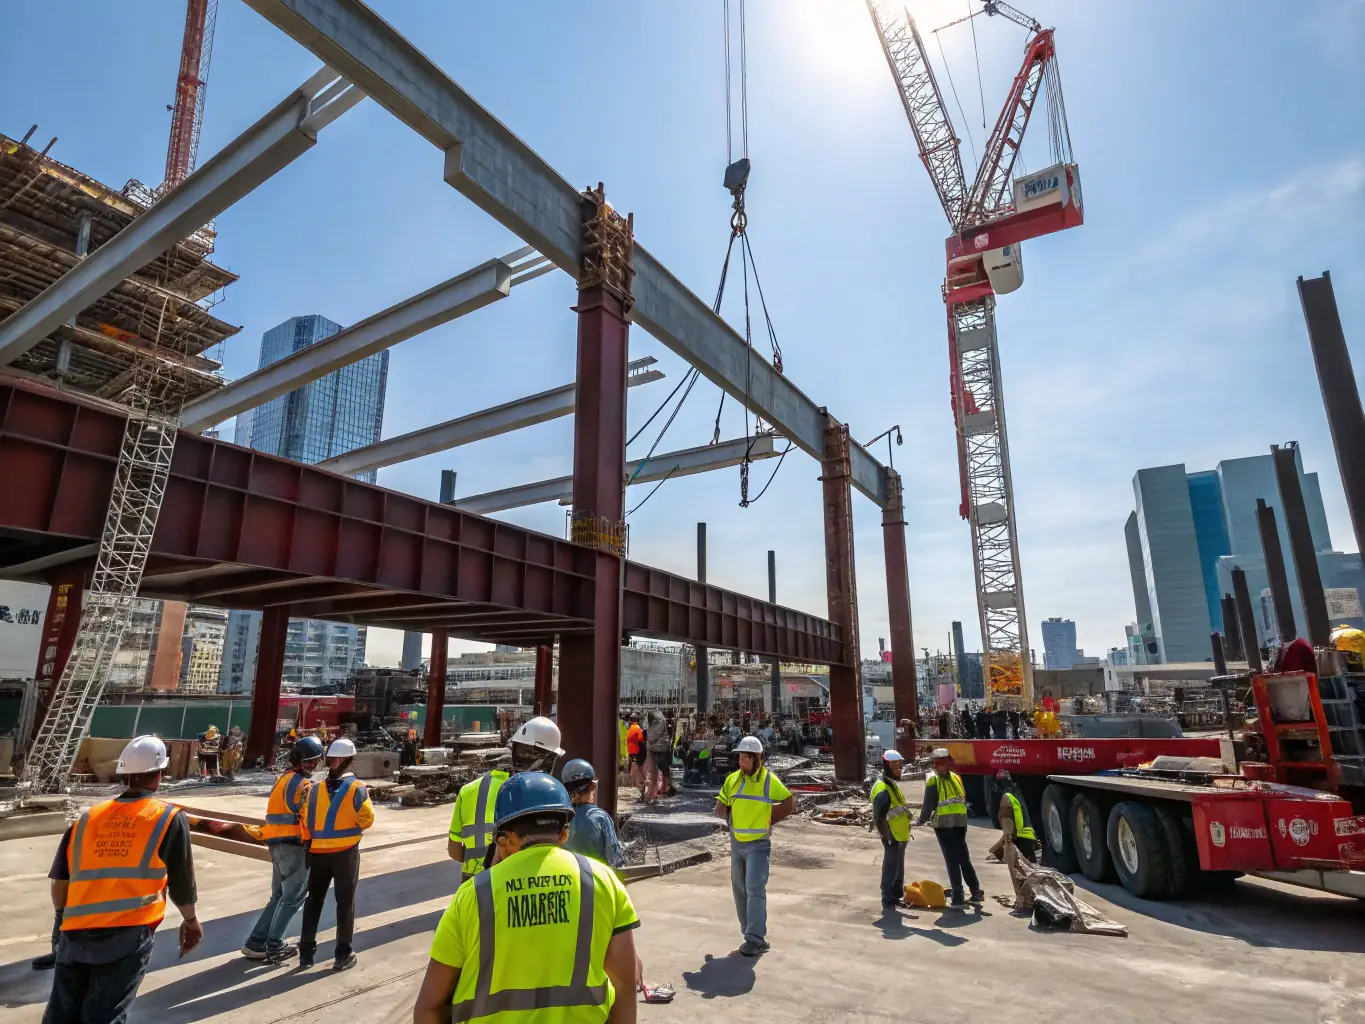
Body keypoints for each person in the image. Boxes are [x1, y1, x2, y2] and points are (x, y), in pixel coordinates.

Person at [413, 772, 640, 1024]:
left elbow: (428, 1008)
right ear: (564, 833)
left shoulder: (473, 895)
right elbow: (625, 983)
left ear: (506, 838)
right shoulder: (604, 881)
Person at [39, 735, 203, 1021]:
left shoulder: (89, 817)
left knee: (62, 1014)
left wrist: (60, 923)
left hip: (75, 932)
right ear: (160, 774)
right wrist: (191, 921)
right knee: (105, 1014)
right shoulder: (166, 818)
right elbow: (181, 880)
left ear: (125, 774)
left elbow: (60, 880)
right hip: (127, 934)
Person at [448, 716, 563, 884]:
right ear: (545, 758)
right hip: (513, 881)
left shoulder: (468, 790)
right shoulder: (539, 794)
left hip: (471, 882)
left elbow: (454, 850)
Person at [241, 735, 324, 963]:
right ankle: (274, 945)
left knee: (278, 896)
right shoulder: (306, 785)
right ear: (306, 762)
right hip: (294, 846)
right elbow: (311, 818)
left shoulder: (283, 779)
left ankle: (256, 943)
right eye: (313, 761)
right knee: (292, 898)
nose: (314, 765)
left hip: (275, 844)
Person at [297, 737, 375, 971]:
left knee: (314, 901)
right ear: (349, 760)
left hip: (318, 852)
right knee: (344, 903)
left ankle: (306, 954)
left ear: (331, 760)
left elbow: (306, 818)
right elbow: (367, 819)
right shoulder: (357, 789)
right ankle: (343, 954)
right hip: (345, 853)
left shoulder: (315, 788)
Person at [715, 735, 795, 956]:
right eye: (740, 757)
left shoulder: (769, 780)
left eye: (746, 758)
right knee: (740, 889)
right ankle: (748, 933)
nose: (741, 762)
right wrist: (728, 818)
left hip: (759, 845)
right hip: (737, 843)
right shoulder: (732, 779)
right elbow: (720, 806)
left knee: (754, 889)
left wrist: (770, 819)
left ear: (758, 759)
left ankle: (755, 939)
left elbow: (789, 802)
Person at [917, 747, 984, 907]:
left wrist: (921, 820)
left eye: (941, 763)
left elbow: (929, 804)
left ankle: (958, 896)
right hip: (960, 823)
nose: (941, 766)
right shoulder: (956, 777)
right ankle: (976, 891)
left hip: (944, 825)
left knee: (952, 860)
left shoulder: (933, 779)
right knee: (963, 857)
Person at [561, 758, 623, 867]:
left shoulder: (561, 817)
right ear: (593, 786)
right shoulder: (600, 817)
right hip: (595, 879)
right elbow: (614, 858)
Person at [870, 749, 912, 912]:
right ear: (886, 766)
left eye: (899, 764)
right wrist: (885, 834)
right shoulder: (882, 788)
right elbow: (878, 816)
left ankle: (895, 896)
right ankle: (887, 897)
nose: (898, 768)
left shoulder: (890, 783)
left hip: (899, 833)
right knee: (891, 865)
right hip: (891, 833)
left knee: (897, 865)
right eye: (894, 765)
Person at [989, 770, 1039, 863]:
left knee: (1020, 871)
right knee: (1030, 867)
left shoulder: (1006, 798)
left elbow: (1007, 824)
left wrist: (1007, 844)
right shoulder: (1016, 794)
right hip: (1028, 838)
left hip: (1020, 839)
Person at [645, 710, 671, 802]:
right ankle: (654, 792)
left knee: (655, 773)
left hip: (657, 752)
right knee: (657, 773)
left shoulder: (658, 725)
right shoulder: (661, 724)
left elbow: (651, 738)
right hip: (657, 751)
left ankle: (654, 793)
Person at [625, 713, 646, 798]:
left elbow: (640, 741)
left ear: (631, 720)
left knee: (638, 775)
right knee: (638, 774)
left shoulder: (634, 729)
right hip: (636, 755)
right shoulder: (637, 728)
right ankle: (642, 793)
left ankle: (642, 793)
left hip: (635, 755)